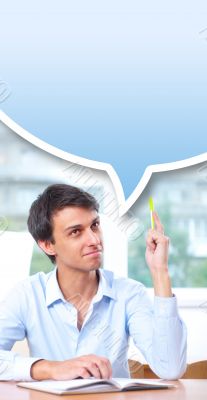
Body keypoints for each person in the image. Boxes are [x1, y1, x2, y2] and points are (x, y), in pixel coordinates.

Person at [0, 184, 187, 381]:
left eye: (95, 225)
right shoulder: (27, 295)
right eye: (75, 232)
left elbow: (171, 369)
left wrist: (160, 271)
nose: (94, 239)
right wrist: (50, 369)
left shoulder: (129, 293)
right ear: (48, 245)